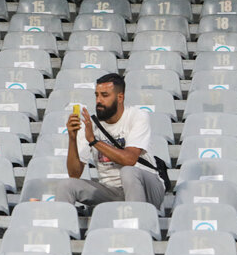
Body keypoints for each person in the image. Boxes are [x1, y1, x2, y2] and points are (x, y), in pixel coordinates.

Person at [57, 73, 165, 209]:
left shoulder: (137, 116)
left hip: (147, 189)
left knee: (128, 171)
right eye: (97, 95)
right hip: (111, 191)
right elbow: (74, 173)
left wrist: (94, 141)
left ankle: (137, 223)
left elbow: (129, 160)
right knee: (66, 185)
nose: (99, 100)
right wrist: (72, 138)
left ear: (120, 97)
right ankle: (63, 228)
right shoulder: (90, 125)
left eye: (105, 95)